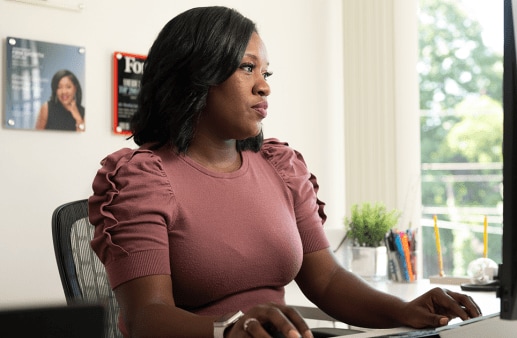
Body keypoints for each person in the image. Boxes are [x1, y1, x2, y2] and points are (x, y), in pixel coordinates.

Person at [88, 6, 481, 338]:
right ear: (196, 77)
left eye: (266, 73)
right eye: (247, 68)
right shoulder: (143, 180)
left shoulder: (280, 167)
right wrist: (228, 329)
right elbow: (146, 316)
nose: (264, 88)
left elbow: (326, 281)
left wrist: (404, 311)